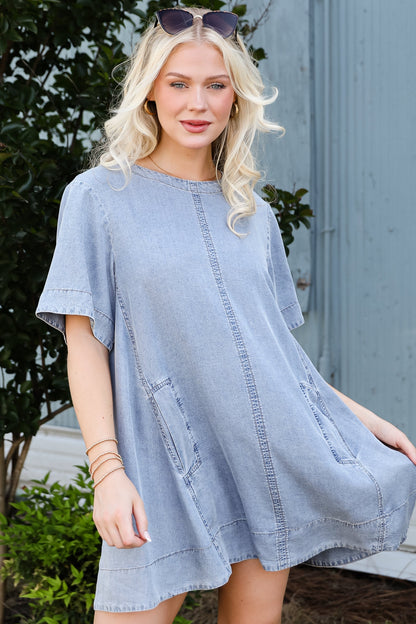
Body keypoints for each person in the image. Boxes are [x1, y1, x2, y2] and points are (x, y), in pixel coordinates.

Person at [36, 7, 416, 624]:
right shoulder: (99, 198)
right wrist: (107, 471)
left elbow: (273, 356)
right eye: (178, 83)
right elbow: (84, 345)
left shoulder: (253, 214)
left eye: (216, 85)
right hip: (160, 467)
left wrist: (361, 419)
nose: (198, 103)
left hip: (261, 460)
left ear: (236, 97)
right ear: (150, 91)